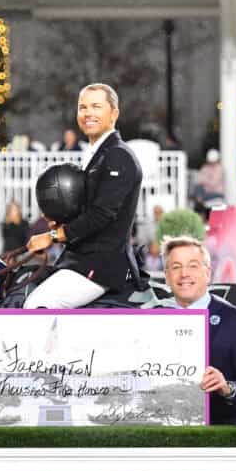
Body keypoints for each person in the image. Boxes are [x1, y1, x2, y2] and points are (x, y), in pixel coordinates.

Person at [23, 83, 142, 309]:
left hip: (99, 266)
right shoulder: (96, 155)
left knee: (37, 305)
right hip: (79, 259)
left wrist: (54, 236)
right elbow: (89, 210)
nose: (87, 113)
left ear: (114, 114)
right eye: (82, 107)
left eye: (96, 106)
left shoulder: (118, 156)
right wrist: (62, 221)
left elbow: (101, 215)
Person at [150, 236, 236, 426]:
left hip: (219, 434)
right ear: (167, 276)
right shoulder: (152, 320)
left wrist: (227, 387)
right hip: (163, 432)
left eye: (193, 266)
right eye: (176, 267)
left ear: (207, 273)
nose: (184, 273)